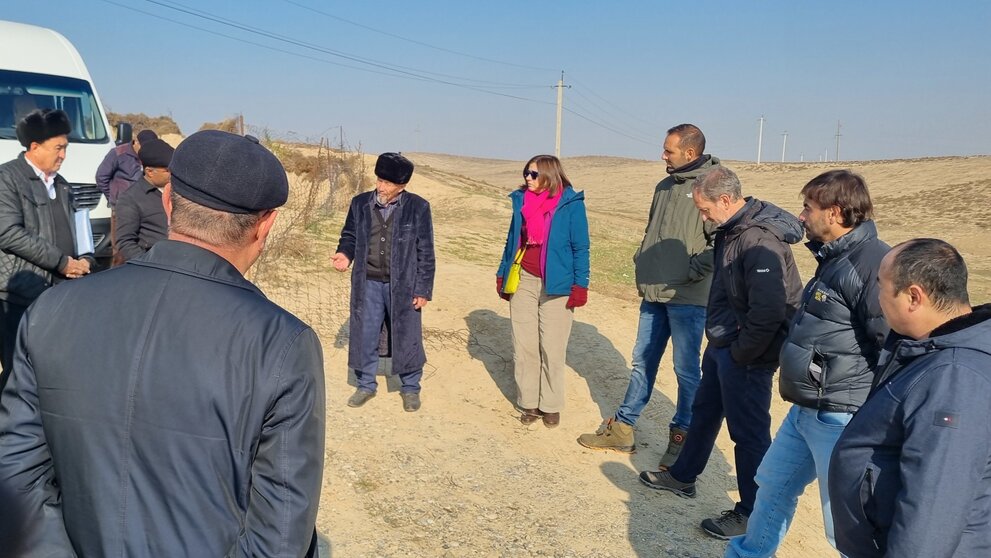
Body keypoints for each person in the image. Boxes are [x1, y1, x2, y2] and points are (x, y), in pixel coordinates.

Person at [0, 130, 326, 556]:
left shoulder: (52, 309)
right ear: (266, 224)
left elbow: (17, 470)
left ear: (168, 200)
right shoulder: (283, 344)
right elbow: (279, 535)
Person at [726, 170, 890, 557]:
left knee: (845, 525)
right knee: (771, 487)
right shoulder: (835, 258)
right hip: (807, 410)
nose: (801, 216)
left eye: (808, 207)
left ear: (834, 213)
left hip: (841, 416)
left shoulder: (870, 264)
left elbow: (890, 344)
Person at [638, 165, 803, 539]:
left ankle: (751, 512)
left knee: (748, 434)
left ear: (726, 200)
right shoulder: (732, 230)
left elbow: (770, 309)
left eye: (704, 208)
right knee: (705, 410)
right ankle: (683, 477)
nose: (703, 216)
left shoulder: (760, 240)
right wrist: (721, 342)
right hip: (724, 343)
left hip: (747, 353)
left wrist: (743, 353)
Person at [829, 239, 991, 558]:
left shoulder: (954, 378)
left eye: (882, 287)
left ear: (913, 297)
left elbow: (934, 505)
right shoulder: (932, 348)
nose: (877, 298)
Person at [578, 123, 714, 466]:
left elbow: (723, 239)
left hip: (687, 297)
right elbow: (651, 229)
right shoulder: (665, 185)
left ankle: (683, 438)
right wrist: (643, 259)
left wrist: (692, 271)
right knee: (642, 363)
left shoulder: (713, 185)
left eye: (668, 150)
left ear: (690, 153)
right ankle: (623, 429)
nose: (662, 155)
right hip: (653, 292)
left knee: (686, 370)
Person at [332, 152, 435, 412]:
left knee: (407, 335)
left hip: (404, 285)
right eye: (379, 180)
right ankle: (365, 384)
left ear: (402, 186)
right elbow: (350, 235)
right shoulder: (360, 203)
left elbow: (426, 250)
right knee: (365, 333)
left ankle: (410, 387)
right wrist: (345, 254)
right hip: (368, 283)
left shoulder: (418, 207)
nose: (381, 187)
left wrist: (423, 288)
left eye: (388, 184)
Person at [495, 154, 590, 428]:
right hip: (524, 278)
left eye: (534, 174)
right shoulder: (521, 201)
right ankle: (529, 403)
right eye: (527, 172)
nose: (528, 178)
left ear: (549, 175)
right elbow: (512, 240)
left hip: (558, 284)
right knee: (523, 344)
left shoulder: (570, 204)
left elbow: (580, 247)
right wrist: (502, 273)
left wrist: (580, 285)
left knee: (552, 347)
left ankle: (550, 404)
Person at [0, 109, 92, 388]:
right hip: (19, 293)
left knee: (50, 367)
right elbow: (7, 232)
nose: (63, 155)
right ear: (35, 147)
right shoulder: (8, 178)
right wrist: (61, 262)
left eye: (66, 148)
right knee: (18, 370)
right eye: (58, 148)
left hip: (57, 293)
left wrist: (86, 257)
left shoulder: (62, 185)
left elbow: (79, 225)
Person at [113, 138, 172, 263]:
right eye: (167, 171)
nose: (172, 174)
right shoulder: (130, 199)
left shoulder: (178, 193)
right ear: (150, 172)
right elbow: (125, 242)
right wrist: (147, 264)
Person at [96, 128, 157, 207]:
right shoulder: (117, 153)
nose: (147, 150)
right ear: (136, 142)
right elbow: (101, 177)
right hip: (121, 206)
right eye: (144, 146)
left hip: (144, 206)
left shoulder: (153, 156)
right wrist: (113, 197)